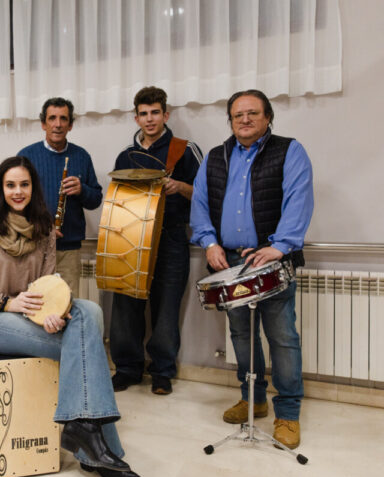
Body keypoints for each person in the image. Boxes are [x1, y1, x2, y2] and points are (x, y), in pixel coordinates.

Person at [0, 156, 140, 477]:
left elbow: (48, 288)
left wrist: (52, 315)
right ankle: (99, 448)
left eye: (24, 184)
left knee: (88, 314)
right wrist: (8, 302)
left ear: (33, 188)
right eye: (10, 185)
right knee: (86, 335)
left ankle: (86, 435)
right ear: (1, 190)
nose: (18, 191)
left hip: (28, 322)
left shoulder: (45, 233)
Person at [190, 89, 313, 449]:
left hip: (271, 260)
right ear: (230, 120)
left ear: (268, 117)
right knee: (241, 336)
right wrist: (210, 243)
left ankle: (287, 414)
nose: (245, 119)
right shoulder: (216, 157)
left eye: (253, 113)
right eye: (238, 114)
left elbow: (299, 197)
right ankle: (253, 399)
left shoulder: (290, 150)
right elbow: (199, 203)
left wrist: (280, 246)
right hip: (229, 262)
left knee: (282, 338)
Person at [110, 87, 203, 395]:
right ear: (136, 117)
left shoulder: (185, 149)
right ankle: (127, 368)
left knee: (166, 308)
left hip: (171, 238)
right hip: (130, 239)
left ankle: (162, 371)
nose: (149, 119)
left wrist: (181, 187)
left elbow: (206, 195)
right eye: (143, 113)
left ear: (166, 114)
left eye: (155, 113)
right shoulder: (125, 155)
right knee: (125, 304)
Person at [17, 98, 103, 296]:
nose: (57, 124)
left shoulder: (81, 156)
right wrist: (39, 228)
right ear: (43, 124)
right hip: (33, 246)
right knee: (35, 306)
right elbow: (14, 204)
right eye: (52, 118)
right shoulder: (26, 156)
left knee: (67, 304)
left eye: (63, 119)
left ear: (70, 125)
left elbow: (96, 200)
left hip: (69, 250)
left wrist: (82, 190)